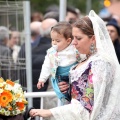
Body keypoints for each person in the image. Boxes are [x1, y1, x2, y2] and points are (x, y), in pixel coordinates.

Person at [30, 10, 120, 120]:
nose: (73, 42)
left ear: (93, 39)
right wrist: (69, 88)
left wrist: (49, 112)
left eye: (79, 38)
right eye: (73, 37)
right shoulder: (87, 58)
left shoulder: (99, 63)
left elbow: (86, 105)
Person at [37, 21, 84, 105]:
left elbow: (83, 58)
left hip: (74, 75)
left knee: (75, 97)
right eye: (52, 40)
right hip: (60, 77)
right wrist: (42, 79)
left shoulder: (74, 48)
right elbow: (46, 65)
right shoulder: (51, 52)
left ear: (68, 40)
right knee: (64, 96)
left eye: (58, 41)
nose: (54, 43)